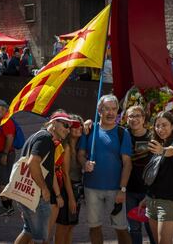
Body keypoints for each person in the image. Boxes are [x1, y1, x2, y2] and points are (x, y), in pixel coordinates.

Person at [78, 94, 132, 244]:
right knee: (94, 227)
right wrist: (84, 163)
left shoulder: (122, 133)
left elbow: (127, 163)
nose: (110, 113)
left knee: (121, 228)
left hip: (115, 190)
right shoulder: (89, 130)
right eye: (106, 109)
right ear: (99, 110)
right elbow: (81, 154)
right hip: (91, 188)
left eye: (114, 109)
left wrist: (122, 189)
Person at [15, 111, 76, 244]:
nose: (68, 129)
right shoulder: (45, 138)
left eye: (70, 127)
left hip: (29, 191)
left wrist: (57, 194)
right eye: (65, 125)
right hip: (36, 194)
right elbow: (33, 162)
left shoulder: (42, 137)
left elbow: (49, 171)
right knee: (38, 236)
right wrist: (44, 188)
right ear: (54, 123)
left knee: (29, 231)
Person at [140, 111, 173, 244]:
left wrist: (162, 151)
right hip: (152, 200)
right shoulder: (158, 144)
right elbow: (156, 174)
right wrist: (146, 197)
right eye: (157, 125)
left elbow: (172, 150)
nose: (160, 129)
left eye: (164, 125)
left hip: (169, 202)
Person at [125, 106, 156, 244]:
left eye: (137, 116)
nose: (134, 119)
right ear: (126, 119)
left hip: (148, 191)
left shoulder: (153, 137)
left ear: (143, 118)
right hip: (129, 190)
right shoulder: (123, 135)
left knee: (151, 227)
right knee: (134, 228)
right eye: (131, 116)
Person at [54, 115, 85, 244]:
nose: (78, 128)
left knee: (71, 225)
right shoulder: (66, 147)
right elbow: (66, 174)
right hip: (68, 189)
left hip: (77, 188)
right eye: (74, 126)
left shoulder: (80, 146)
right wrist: (71, 198)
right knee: (63, 226)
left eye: (80, 125)